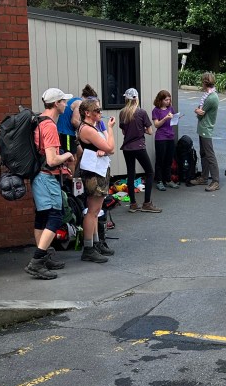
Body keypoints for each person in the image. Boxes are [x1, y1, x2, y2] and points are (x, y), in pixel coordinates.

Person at [25, 88, 76, 279]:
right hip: (47, 177)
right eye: (63, 101)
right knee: (56, 215)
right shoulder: (50, 127)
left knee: (42, 216)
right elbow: (52, 159)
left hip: (38, 175)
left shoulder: (39, 121)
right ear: (56, 104)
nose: (66, 104)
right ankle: (37, 262)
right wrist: (68, 154)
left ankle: (44, 256)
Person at [76, 95, 116, 263]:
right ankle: (88, 248)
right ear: (87, 112)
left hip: (97, 170)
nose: (100, 113)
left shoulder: (91, 127)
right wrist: (110, 128)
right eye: (97, 110)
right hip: (94, 173)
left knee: (96, 210)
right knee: (92, 211)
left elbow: (102, 148)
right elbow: (110, 147)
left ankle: (95, 243)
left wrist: (103, 150)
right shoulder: (88, 129)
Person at [119, 89, 162, 213]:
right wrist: (141, 130)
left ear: (126, 99)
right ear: (136, 99)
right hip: (139, 146)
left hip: (127, 147)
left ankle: (133, 204)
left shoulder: (122, 113)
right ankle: (147, 203)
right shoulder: (141, 112)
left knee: (130, 174)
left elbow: (124, 132)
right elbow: (150, 131)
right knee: (149, 172)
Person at [192, 72, 220, 190]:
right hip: (203, 128)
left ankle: (215, 181)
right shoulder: (210, 95)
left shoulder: (211, 98)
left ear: (204, 82)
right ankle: (204, 177)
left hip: (206, 128)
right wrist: (198, 110)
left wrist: (197, 111)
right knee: (203, 153)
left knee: (209, 155)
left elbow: (200, 113)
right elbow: (200, 110)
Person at [152, 89, 178, 190]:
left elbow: (173, 120)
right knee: (160, 159)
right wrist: (165, 118)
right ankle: (159, 180)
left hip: (170, 136)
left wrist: (176, 118)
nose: (168, 102)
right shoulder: (156, 110)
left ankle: (168, 179)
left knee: (169, 159)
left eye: (169, 100)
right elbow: (156, 124)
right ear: (160, 100)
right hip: (161, 138)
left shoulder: (170, 108)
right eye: (166, 100)